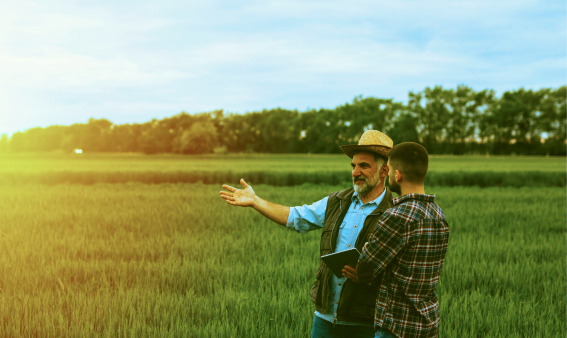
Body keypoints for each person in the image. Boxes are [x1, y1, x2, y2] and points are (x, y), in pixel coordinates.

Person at [220, 130, 395, 338]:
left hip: (367, 323)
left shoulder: (396, 211)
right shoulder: (336, 202)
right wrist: (255, 201)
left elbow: (407, 273)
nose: (355, 172)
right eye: (353, 166)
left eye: (364, 166)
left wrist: (368, 276)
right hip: (325, 319)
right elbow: (297, 217)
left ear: (384, 171)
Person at [349, 142, 450, 338]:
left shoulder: (397, 216)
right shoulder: (439, 214)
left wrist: (368, 247)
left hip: (397, 328)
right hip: (428, 325)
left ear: (397, 175)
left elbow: (365, 269)